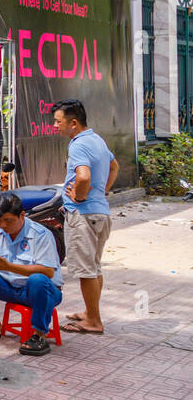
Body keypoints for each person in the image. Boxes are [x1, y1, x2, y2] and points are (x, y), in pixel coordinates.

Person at [52, 99, 118, 335]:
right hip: (100, 213)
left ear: (73, 123)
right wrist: (101, 192)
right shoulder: (96, 139)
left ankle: (93, 321)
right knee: (94, 267)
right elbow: (114, 167)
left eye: (58, 122)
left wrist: (79, 198)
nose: (55, 126)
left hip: (84, 215)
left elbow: (82, 176)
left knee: (86, 271)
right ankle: (91, 313)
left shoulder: (78, 145)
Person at [0, 191, 63, 357]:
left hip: (43, 291)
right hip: (9, 287)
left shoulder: (40, 234)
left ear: (22, 215)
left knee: (38, 280)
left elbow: (48, 271)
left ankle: (39, 335)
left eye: (8, 220)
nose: (3, 225)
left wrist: (8, 266)